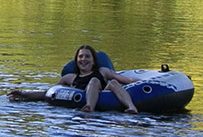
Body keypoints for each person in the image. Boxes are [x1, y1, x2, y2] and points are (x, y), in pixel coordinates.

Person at [8, 43, 139, 114]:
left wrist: (147, 81)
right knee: (93, 82)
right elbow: (48, 93)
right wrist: (24, 95)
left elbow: (126, 80)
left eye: (87, 57)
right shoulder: (70, 78)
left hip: (103, 92)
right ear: (76, 61)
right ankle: (89, 107)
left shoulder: (102, 71)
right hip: (81, 96)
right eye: (81, 57)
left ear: (93, 61)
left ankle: (131, 107)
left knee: (110, 82)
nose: (84, 60)